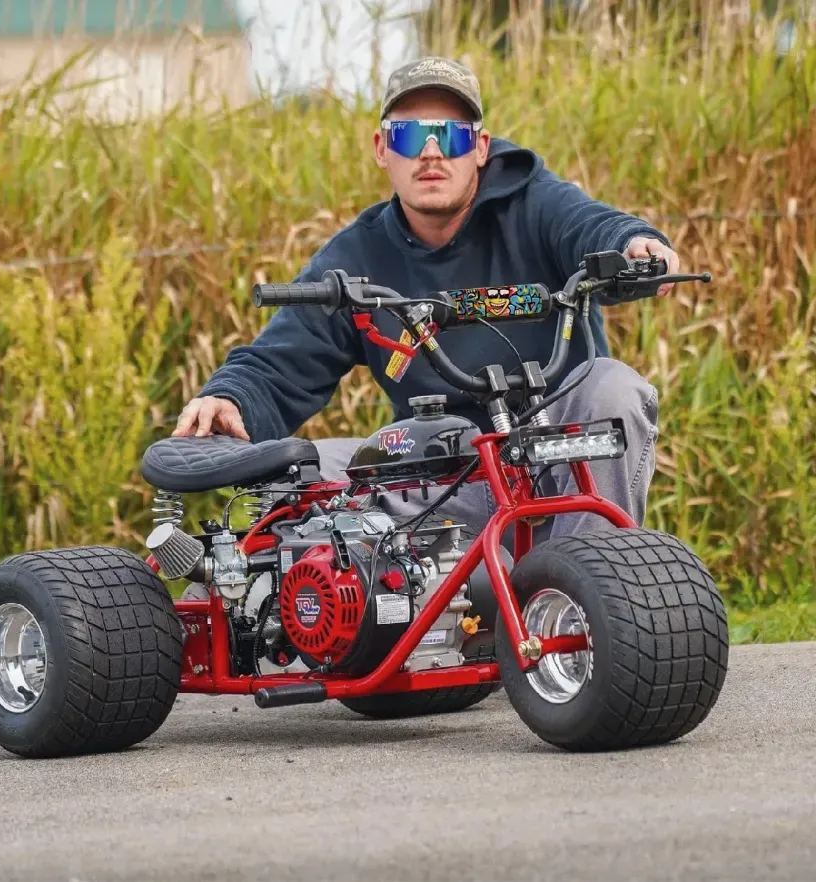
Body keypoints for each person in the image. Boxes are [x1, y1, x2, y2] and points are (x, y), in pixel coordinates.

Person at [173, 56, 678, 543]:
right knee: (298, 470)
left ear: (480, 148)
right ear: (382, 149)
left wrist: (633, 245)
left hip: (552, 458)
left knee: (614, 387)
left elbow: (593, 226)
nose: (431, 153)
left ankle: (586, 577)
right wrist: (230, 398)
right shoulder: (357, 255)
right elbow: (280, 362)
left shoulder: (537, 203)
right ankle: (272, 598)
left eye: (451, 136)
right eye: (410, 136)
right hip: (438, 470)